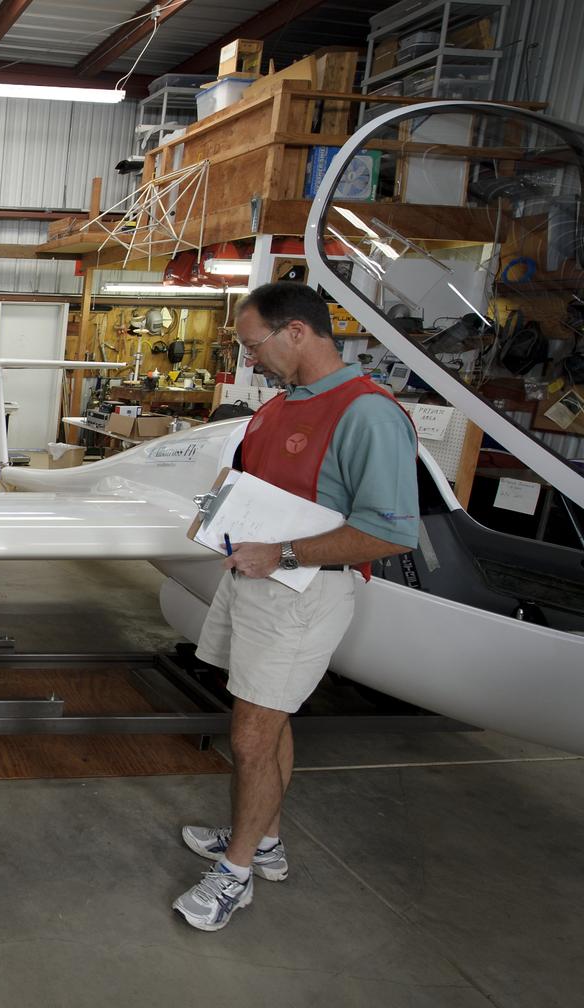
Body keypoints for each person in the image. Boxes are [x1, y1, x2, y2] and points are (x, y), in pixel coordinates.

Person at [172, 281, 419, 932]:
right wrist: (211, 515)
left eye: (255, 345)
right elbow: (242, 485)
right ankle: (267, 842)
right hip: (253, 581)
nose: (251, 360)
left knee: (251, 735)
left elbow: (392, 531)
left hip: (301, 592)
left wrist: (280, 555)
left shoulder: (368, 412)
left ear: (298, 332)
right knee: (267, 722)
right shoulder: (273, 410)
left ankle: (237, 872)